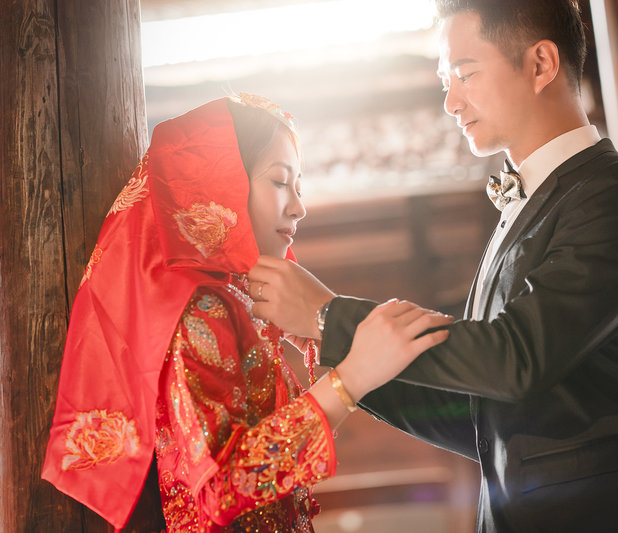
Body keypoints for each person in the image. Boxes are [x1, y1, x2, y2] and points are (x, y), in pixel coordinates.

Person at [245, 1, 618, 532]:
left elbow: (516, 357)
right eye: (445, 82)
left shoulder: (617, 192)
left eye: (465, 74)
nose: (451, 102)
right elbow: (485, 415)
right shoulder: (524, 207)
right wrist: (350, 356)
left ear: (541, 64)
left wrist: (329, 314)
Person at [41, 94, 451, 532]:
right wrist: (349, 380)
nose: (299, 207)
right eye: (280, 181)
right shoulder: (200, 307)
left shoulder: (229, 302)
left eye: (299, 187)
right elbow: (223, 485)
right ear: (218, 181)